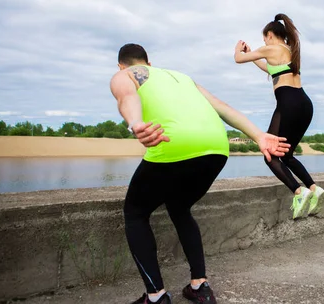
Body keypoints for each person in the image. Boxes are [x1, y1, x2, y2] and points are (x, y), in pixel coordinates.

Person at [110, 43, 291, 304]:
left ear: (121, 65)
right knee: (179, 207)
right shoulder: (182, 78)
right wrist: (259, 136)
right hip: (216, 147)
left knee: (135, 213)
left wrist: (136, 123)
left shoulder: (124, 75)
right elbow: (222, 107)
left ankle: (156, 296)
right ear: (149, 63)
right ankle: (199, 285)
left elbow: (127, 97)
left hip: (174, 144)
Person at [233, 13, 324, 220]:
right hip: (304, 104)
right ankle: (313, 188)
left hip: (288, 104)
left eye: (264, 38)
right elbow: (269, 68)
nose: (263, 43)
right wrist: (254, 56)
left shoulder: (270, 48)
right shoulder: (290, 50)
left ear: (269, 34)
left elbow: (238, 59)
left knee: (270, 155)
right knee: (287, 154)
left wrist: (239, 50)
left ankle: (298, 191)